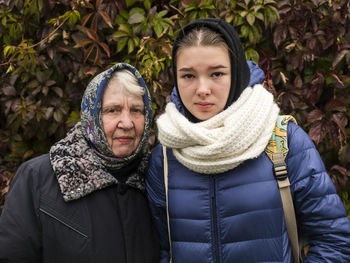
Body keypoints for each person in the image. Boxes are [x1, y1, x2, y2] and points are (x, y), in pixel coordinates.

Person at [146, 18, 350, 263]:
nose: (202, 88)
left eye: (217, 74)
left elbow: (334, 241)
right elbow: (161, 251)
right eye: (188, 76)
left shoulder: (284, 142)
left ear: (238, 73)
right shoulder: (166, 157)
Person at [0, 63, 159, 263]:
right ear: (91, 115)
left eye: (137, 110)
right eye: (112, 110)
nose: (127, 123)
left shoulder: (156, 180)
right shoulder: (39, 178)